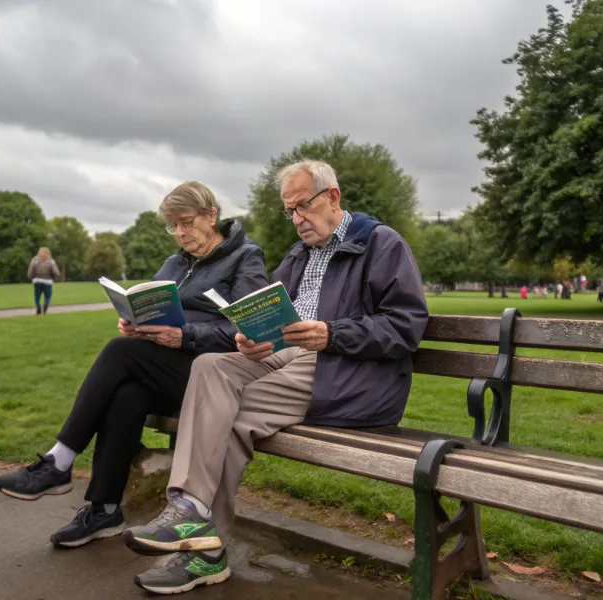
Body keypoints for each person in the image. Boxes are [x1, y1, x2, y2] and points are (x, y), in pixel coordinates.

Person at [124, 160, 428, 594]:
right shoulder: (299, 253)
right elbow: (270, 313)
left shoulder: (381, 244)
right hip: (288, 357)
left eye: (302, 206)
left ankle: (205, 553)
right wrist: (253, 339)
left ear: (333, 198)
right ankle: (189, 506)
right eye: (290, 211)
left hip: (346, 371)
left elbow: (406, 326)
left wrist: (333, 333)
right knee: (211, 365)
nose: (297, 219)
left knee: (226, 417)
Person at [0, 181, 268, 550]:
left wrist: (184, 335)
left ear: (211, 215)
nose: (181, 233)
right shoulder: (174, 263)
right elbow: (150, 303)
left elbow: (248, 328)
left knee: (119, 353)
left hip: (213, 375)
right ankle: (104, 508)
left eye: (186, 222)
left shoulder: (245, 257)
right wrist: (134, 322)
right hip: (163, 368)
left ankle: (60, 460)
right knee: (127, 392)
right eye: (174, 226)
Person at [27, 248, 60, 314]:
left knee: (37, 297)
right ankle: (45, 307)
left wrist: (31, 278)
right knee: (47, 296)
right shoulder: (51, 261)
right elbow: (56, 272)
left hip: (37, 281)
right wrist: (53, 278)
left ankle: (38, 307)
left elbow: (30, 272)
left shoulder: (34, 260)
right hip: (48, 281)